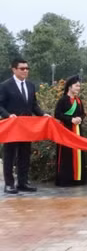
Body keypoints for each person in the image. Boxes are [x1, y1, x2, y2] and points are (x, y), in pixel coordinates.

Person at [0, 58, 47, 194]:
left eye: (27, 68)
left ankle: (23, 182)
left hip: (27, 127)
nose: (25, 71)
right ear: (14, 69)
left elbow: (33, 105)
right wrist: (8, 115)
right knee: (9, 155)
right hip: (12, 126)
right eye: (22, 68)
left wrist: (43, 114)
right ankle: (9, 184)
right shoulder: (5, 86)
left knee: (25, 154)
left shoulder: (31, 86)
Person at [54, 75, 86, 187]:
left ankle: (77, 178)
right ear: (70, 87)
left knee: (77, 152)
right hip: (65, 130)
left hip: (77, 129)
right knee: (66, 154)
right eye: (76, 86)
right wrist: (70, 119)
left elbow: (83, 113)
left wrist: (80, 118)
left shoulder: (78, 100)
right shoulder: (63, 100)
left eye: (79, 86)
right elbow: (57, 114)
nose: (78, 88)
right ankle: (65, 179)